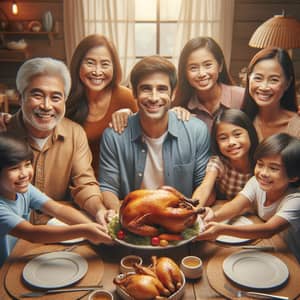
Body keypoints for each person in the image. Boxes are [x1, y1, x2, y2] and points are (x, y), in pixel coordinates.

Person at [5, 57, 110, 225]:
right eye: (37, 95)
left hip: (60, 226)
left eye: (55, 98)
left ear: (65, 101)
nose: (46, 106)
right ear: (20, 97)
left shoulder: (75, 133)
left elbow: (84, 183)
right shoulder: (4, 133)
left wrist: (99, 209)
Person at [99, 56, 210, 211]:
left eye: (162, 89)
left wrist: (189, 215)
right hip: (132, 219)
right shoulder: (114, 136)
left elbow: (203, 185)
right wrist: (120, 218)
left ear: (173, 93)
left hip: (180, 220)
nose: (154, 97)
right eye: (146, 88)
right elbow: (108, 187)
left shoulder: (197, 131)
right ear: (134, 93)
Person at [0, 135, 112, 266]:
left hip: (17, 254)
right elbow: (32, 234)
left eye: (27, 164)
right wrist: (86, 231)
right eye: (14, 168)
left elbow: (57, 209)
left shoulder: (24, 189)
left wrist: (99, 228)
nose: (24, 174)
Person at [197, 133, 300, 262]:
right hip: (271, 248)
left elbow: (268, 230)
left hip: (292, 258)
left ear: (293, 176)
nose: (263, 173)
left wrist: (222, 229)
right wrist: (213, 217)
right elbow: (236, 205)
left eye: (273, 168)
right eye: (260, 164)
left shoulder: (296, 200)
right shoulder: (257, 182)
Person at [65, 34, 138, 177]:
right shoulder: (65, 97)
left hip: (116, 183)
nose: (97, 72)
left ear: (114, 67)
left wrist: (133, 117)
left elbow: (148, 138)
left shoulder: (126, 97)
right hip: (75, 182)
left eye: (105, 64)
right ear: (78, 64)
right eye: (90, 63)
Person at [173, 36, 245, 131]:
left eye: (208, 65)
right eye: (193, 68)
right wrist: (172, 116)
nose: (201, 74)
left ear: (220, 66)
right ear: (185, 72)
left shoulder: (242, 96)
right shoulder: (182, 106)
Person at [193, 109, 258, 207]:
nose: (231, 142)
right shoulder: (218, 162)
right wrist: (192, 211)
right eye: (223, 138)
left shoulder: (260, 162)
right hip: (224, 211)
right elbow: (205, 187)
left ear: (250, 133)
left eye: (237, 134)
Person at [242, 47, 300, 141]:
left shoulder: (297, 126)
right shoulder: (241, 123)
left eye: (274, 80)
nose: (264, 87)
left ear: (288, 83)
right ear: (249, 78)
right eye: (258, 78)